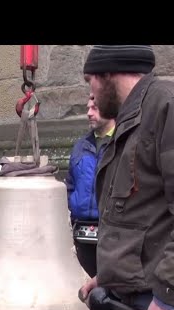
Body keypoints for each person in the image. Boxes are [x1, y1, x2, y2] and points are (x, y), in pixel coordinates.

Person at [80, 45, 174, 310]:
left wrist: (167, 299)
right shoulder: (130, 119)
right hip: (131, 296)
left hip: (156, 302)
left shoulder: (165, 107)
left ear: (108, 73)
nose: (92, 97)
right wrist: (111, 275)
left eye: (91, 82)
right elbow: (141, 215)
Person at [65, 94, 115, 278]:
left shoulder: (121, 144)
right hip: (81, 234)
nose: (88, 113)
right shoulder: (80, 146)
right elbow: (70, 184)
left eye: (94, 108)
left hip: (111, 235)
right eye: (87, 108)